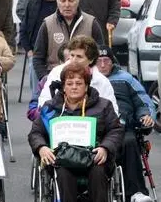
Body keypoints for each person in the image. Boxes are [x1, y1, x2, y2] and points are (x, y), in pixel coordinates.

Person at [28, 62, 123, 202]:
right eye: (69, 83)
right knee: (63, 173)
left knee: (98, 172)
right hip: (62, 158)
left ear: (86, 86)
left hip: (94, 157)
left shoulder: (104, 105)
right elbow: (35, 133)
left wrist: (105, 148)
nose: (74, 87)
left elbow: (116, 130)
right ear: (63, 87)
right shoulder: (50, 107)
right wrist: (42, 148)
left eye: (79, 83)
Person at [96, 46, 155, 202]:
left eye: (106, 61)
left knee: (129, 142)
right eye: (98, 61)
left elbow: (143, 101)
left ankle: (136, 192)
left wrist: (146, 116)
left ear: (112, 61)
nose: (102, 65)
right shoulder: (87, 79)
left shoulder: (125, 78)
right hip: (97, 128)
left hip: (123, 126)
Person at [33, 0, 105, 79]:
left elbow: (99, 55)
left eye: (71, 0)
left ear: (78, 0)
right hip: (56, 80)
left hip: (85, 81)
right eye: (63, 1)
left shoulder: (91, 23)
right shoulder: (47, 24)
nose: (67, 5)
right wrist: (46, 79)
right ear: (57, 1)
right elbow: (38, 58)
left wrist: (92, 78)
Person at [36, 35, 119, 114]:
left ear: (91, 60)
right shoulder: (56, 72)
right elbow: (44, 103)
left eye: (79, 57)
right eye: (72, 55)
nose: (73, 60)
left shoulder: (102, 81)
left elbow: (112, 112)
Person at [20, 0, 60, 91]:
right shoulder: (33, 4)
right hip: (37, 58)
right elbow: (24, 29)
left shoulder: (63, 6)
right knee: (37, 95)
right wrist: (29, 51)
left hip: (58, 59)